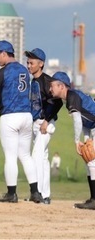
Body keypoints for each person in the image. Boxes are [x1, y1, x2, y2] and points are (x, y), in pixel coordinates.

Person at [0, 40, 43, 203]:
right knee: (25, 155)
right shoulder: (25, 70)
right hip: (26, 116)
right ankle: (35, 192)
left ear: (4, 53)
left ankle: (12, 193)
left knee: (10, 156)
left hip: (9, 116)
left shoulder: (1, 72)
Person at [49, 71, 95, 210]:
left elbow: (77, 120)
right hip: (92, 127)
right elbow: (87, 120)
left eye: (53, 86)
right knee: (89, 160)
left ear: (62, 86)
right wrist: (86, 140)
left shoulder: (72, 96)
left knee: (92, 161)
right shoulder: (72, 96)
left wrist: (77, 141)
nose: (50, 89)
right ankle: (93, 198)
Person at [25, 48, 63, 204]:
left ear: (40, 64)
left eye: (31, 63)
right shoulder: (34, 81)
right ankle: (45, 195)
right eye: (27, 62)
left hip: (45, 123)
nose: (28, 65)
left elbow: (58, 101)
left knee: (36, 156)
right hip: (36, 123)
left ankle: (38, 193)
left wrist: (47, 120)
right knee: (43, 159)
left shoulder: (47, 81)